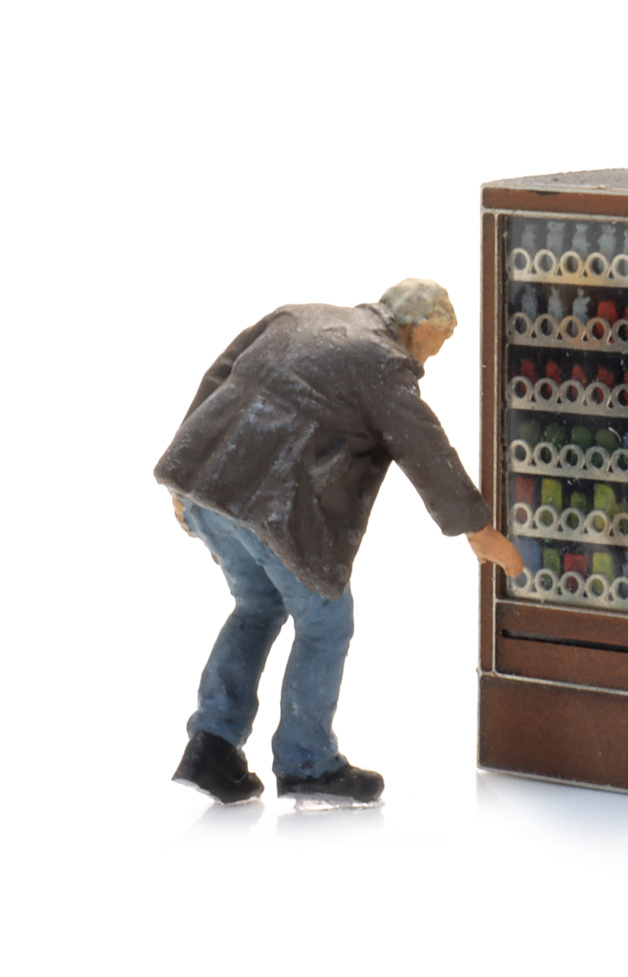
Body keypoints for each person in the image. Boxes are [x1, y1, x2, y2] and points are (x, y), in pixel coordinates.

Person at [155, 279, 522, 806]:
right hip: (273, 511)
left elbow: (218, 376)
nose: (431, 358)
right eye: (437, 343)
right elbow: (425, 450)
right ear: (418, 327)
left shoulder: (296, 314)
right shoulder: (382, 363)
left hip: (209, 491)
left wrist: (184, 477)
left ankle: (210, 746)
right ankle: (307, 763)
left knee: (257, 606)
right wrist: (479, 531)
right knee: (326, 624)